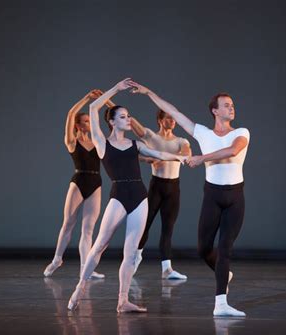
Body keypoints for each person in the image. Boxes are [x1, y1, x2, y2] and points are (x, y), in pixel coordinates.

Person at [129, 80, 250, 317]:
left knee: (224, 249)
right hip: (213, 195)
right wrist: (148, 92)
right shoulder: (202, 133)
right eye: (226, 105)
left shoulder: (241, 132)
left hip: (235, 197)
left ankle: (221, 304)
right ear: (215, 110)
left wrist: (201, 159)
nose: (231, 108)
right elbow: (173, 111)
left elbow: (232, 151)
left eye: (232, 105)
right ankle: (223, 273)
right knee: (203, 249)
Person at [67, 79, 186, 313]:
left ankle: (123, 301)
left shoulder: (135, 144)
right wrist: (115, 90)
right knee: (100, 244)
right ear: (111, 122)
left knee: (131, 253)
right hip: (119, 195)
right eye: (122, 117)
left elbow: (159, 153)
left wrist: (180, 158)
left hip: (140, 196)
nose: (128, 119)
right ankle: (80, 286)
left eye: (128, 116)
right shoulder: (102, 143)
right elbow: (93, 108)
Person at [43, 89, 113, 279]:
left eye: (90, 121)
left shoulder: (99, 142)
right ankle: (57, 259)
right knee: (68, 224)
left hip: (95, 182)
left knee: (88, 229)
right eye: (86, 121)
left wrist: (105, 101)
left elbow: (114, 118)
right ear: (78, 125)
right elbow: (70, 114)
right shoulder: (72, 141)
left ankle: (86, 269)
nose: (89, 123)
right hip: (79, 182)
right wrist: (87, 98)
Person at [130, 111, 191, 279]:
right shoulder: (151, 137)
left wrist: (160, 158)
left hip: (173, 188)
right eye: (168, 118)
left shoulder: (181, 141)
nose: (172, 121)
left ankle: (167, 269)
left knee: (167, 228)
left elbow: (187, 155)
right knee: (145, 224)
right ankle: (135, 258)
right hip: (157, 186)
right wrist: (146, 159)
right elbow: (131, 121)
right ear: (160, 120)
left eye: (174, 119)